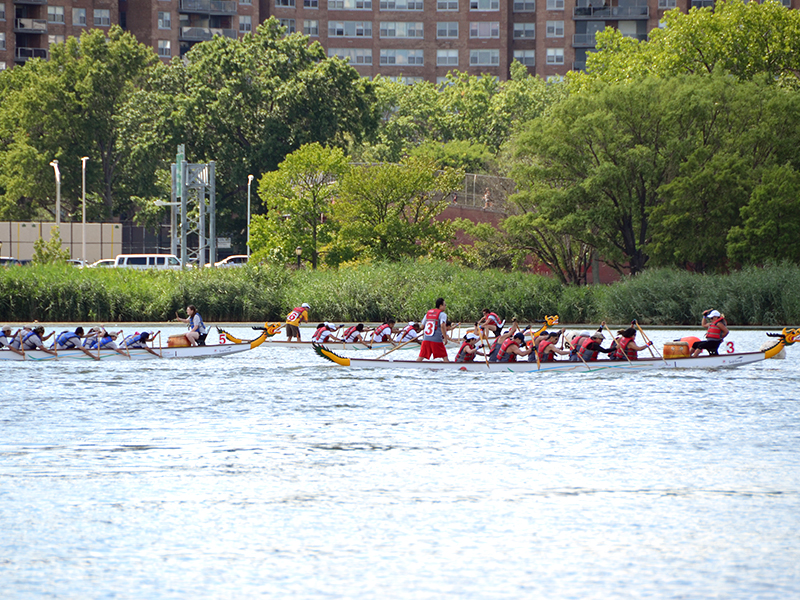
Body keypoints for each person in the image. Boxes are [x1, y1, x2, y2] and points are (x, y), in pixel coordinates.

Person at [417, 297, 450, 362]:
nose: (445, 306)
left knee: (420, 358)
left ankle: (414, 366)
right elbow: (442, 325)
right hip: (436, 340)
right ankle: (449, 368)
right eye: (444, 305)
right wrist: (445, 338)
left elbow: (422, 326)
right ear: (440, 306)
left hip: (426, 340)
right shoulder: (443, 315)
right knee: (445, 357)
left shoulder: (428, 313)